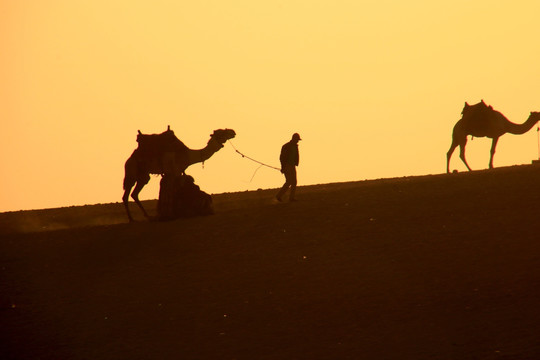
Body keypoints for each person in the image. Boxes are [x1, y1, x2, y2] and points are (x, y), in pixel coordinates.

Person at [276, 133, 301, 202]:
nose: (298, 141)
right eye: (297, 139)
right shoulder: (286, 146)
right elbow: (281, 158)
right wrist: (283, 167)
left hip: (293, 166)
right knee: (289, 181)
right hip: (287, 166)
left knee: (294, 182)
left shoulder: (295, 146)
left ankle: (291, 198)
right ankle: (279, 196)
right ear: (294, 139)